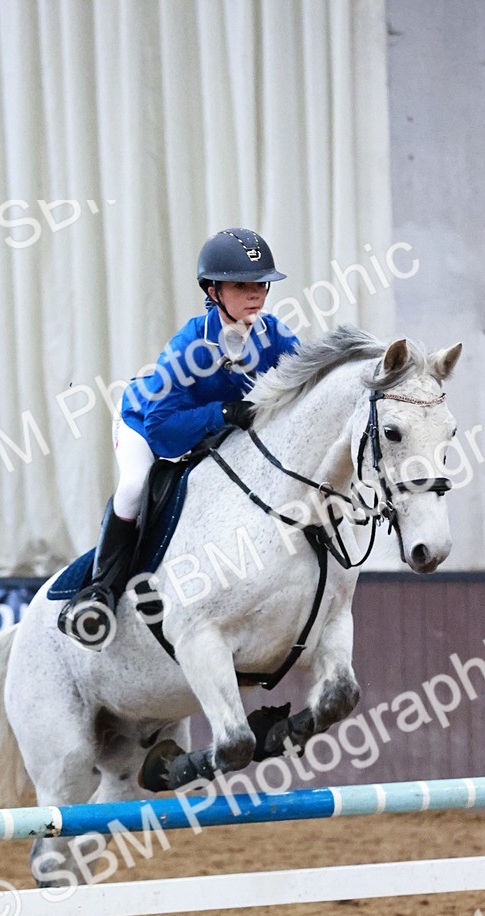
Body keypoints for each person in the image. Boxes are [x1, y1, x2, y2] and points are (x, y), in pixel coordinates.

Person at [58, 227, 299, 648]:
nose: (256, 295)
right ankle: (100, 591)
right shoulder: (190, 345)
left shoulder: (274, 335)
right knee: (135, 486)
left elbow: (304, 381)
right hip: (145, 421)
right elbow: (162, 431)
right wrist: (220, 412)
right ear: (213, 290)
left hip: (214, 433)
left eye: (261, 284)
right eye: (241, 286)